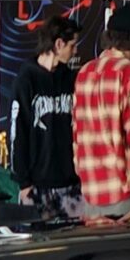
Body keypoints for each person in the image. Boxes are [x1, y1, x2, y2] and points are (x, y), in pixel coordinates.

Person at [73, 5, 130, 219]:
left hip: (90, 190)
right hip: (123, 192)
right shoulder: (129, 73)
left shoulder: (85, 72)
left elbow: (76, 134)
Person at [10, 15, 83, 220]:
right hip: (37, 185)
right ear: (58, 44)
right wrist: (23, 183)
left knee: (73, 243)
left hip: (70, 184)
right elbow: (18, 131)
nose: (75, 50)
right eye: (72, 45)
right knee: (36, 246)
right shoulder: (25, 81)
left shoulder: (71, 79)